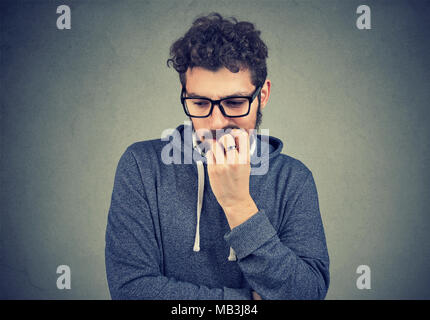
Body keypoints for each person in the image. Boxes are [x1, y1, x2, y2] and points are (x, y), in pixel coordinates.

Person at [105, 12, 330, 300]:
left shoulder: (293, 180)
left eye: (234, 103)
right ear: (184, 93)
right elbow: (131, 291)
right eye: (199, 102)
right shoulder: (141, 166)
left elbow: (307, 294)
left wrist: (238, 204)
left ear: (262, 96)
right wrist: (246, 302)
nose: (215, 123)